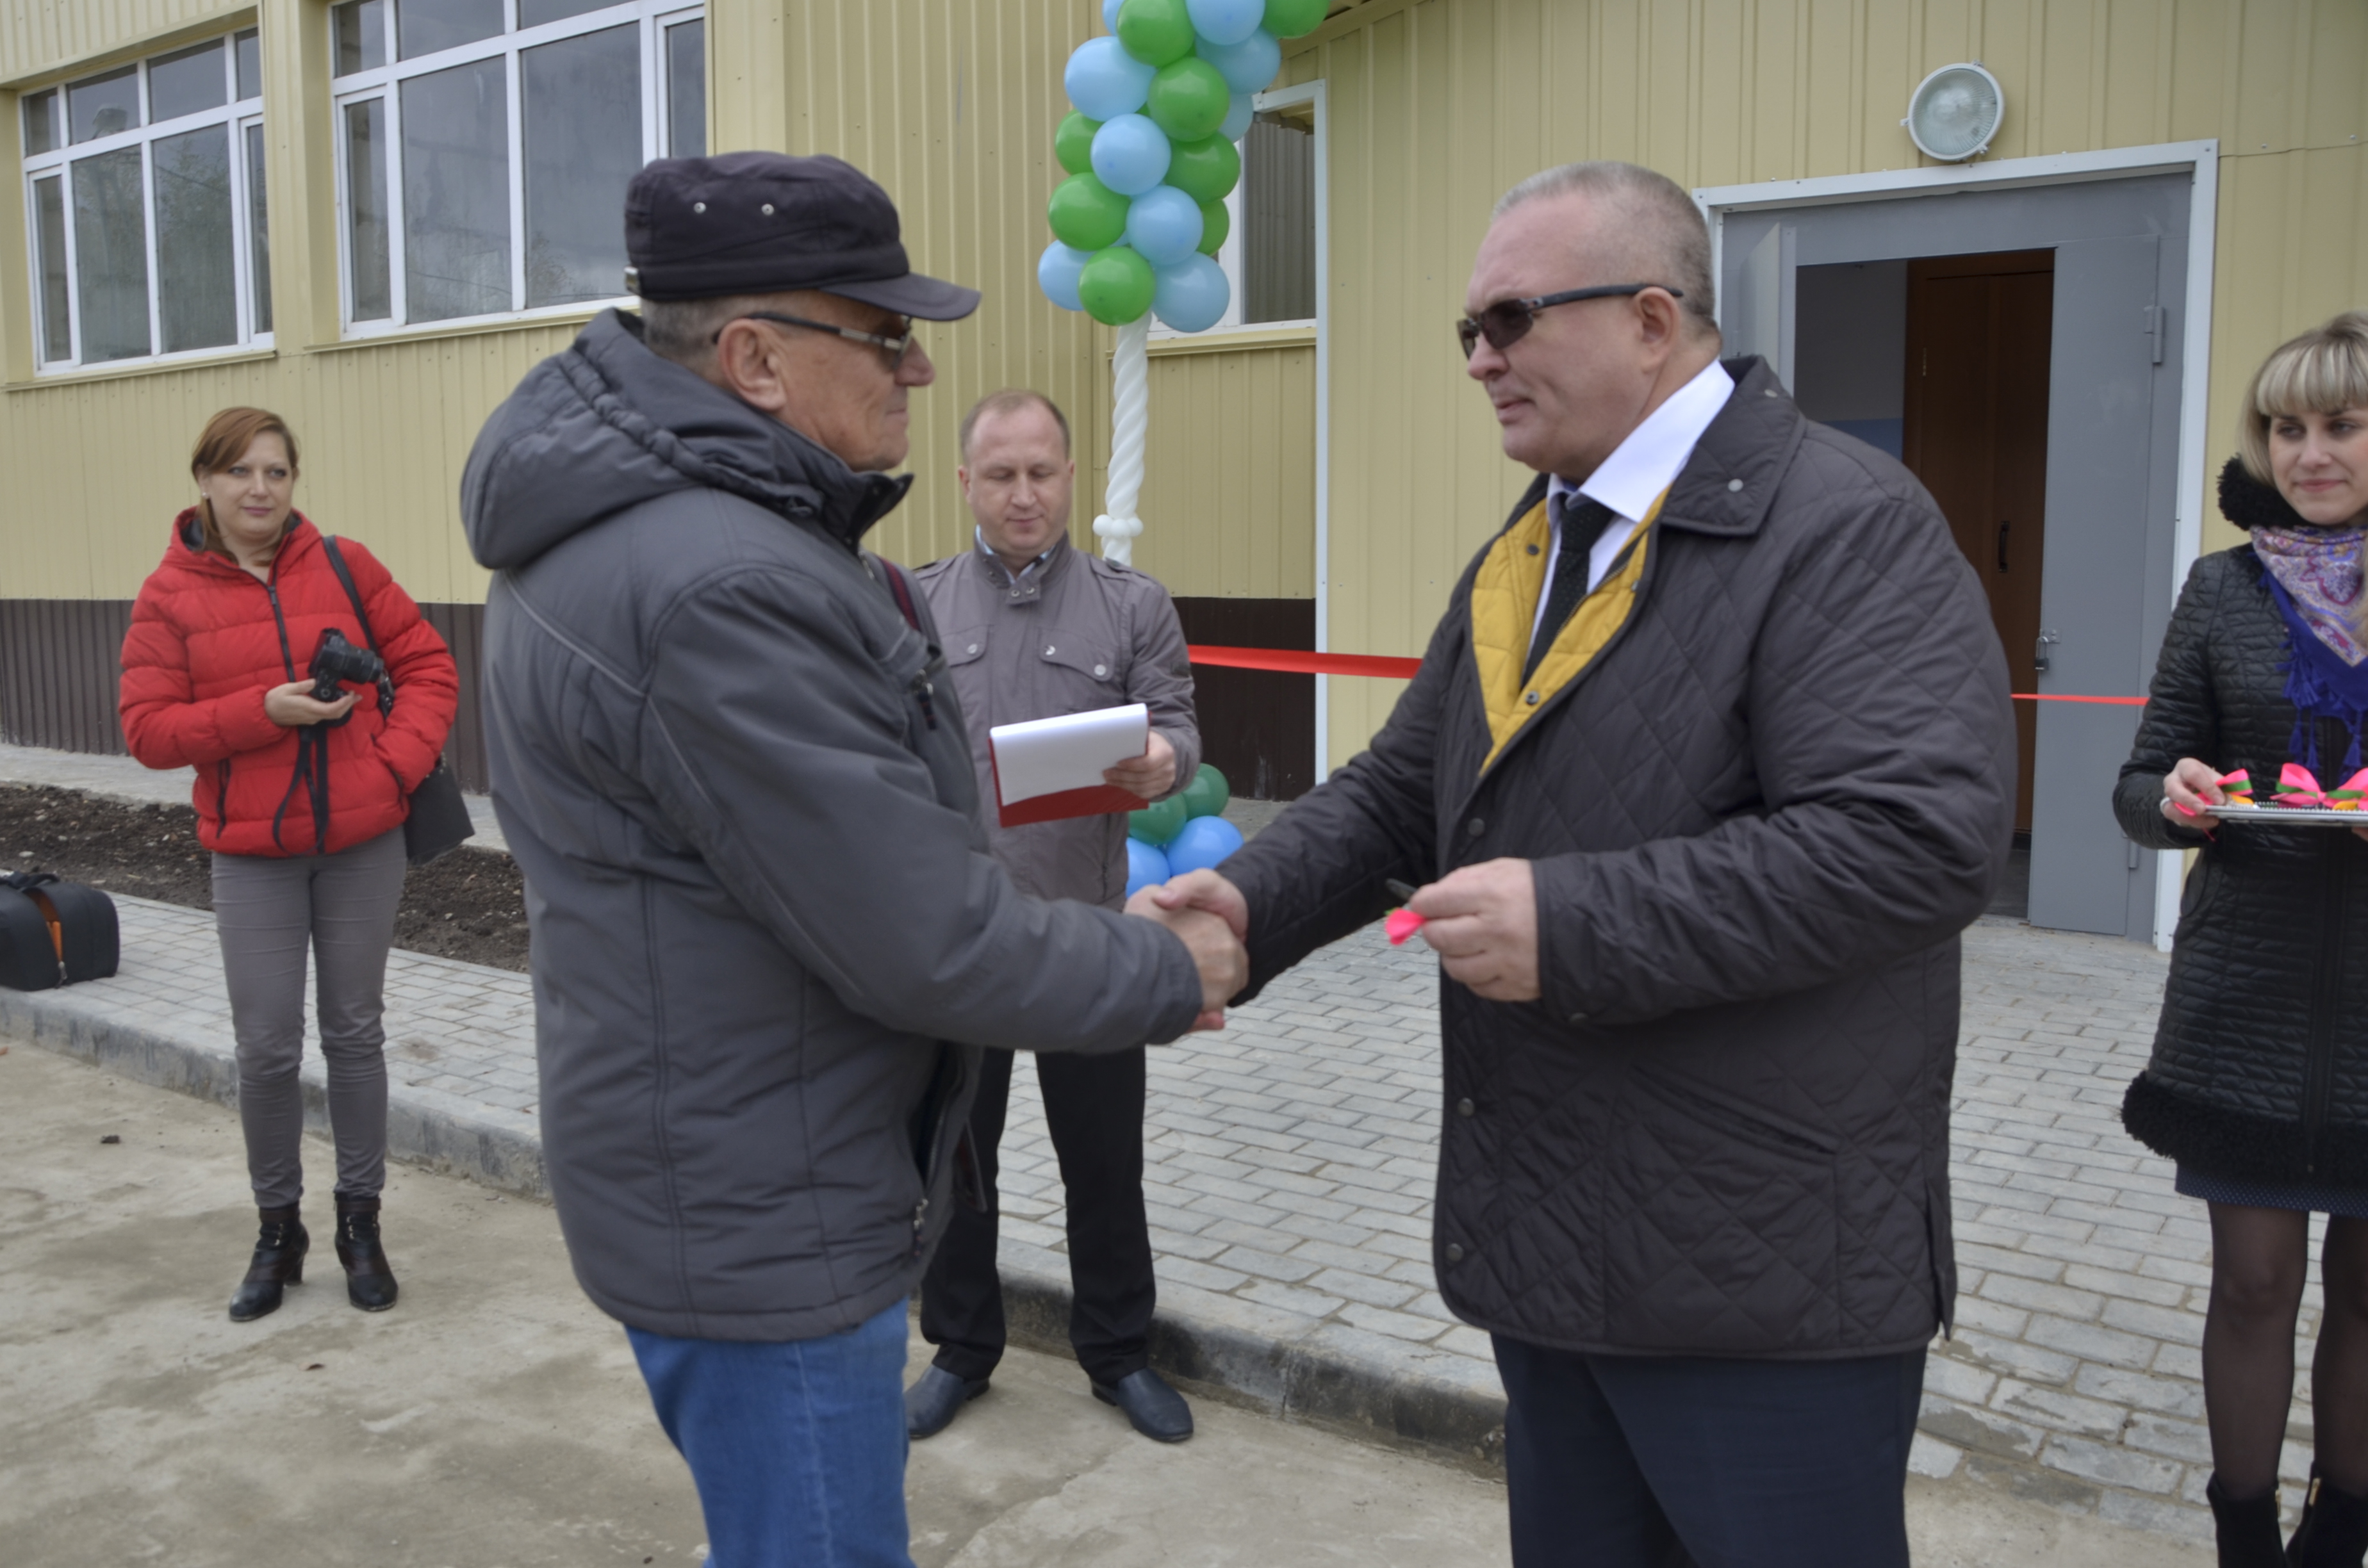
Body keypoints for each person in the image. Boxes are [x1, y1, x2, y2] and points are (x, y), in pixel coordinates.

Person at [1149, 160, 2015, 1567]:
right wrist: (1247, 905)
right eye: (1468, 334)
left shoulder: (1847, 524)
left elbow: (1915, 841)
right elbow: (1398, 792)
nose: (1480, 360)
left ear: (1655, 320)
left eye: (1510, 320)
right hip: (1559, 1244)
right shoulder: (1541, 538)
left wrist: (1576, 917)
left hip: (1762, 1280)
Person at [459, 151, 1246, 1568]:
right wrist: (1169, 961)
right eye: (883, 338)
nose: (914, 372)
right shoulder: (724, 584)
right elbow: (927, 938)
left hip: (743, 1163)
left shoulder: (687, 537)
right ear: (755, 358)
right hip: (769, 1215)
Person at [2117, 312, 2368, 1568]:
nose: (2309, 451)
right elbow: (2141, 780)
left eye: (2340, 424)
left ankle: (2343, 1533)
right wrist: (2177, 798)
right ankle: (2246, 1541)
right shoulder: (2224, 586)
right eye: (2286, 427)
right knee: (2255, 1286)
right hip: (2244, 1005)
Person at [904, 389, 1202, 1444]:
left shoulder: (1131, 605)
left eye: (1041, 472)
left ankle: (1119, 1354)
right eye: (1000, 475)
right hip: (964, 941)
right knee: (958, 1162)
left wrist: (1168, 756)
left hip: (1087, 938)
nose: (1023, 494)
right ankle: (961, 1349)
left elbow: (1178, 724)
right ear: (965, 484)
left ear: (1071, 477)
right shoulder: (917, 604)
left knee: (1103, 1162)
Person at [120, 407, 459, 1323]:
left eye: (275, 472)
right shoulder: (169, 596)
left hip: (362, 845)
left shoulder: (346, 565)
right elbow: (147, 731)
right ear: (205, 481)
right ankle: (279, 1230)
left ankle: (361, 1225)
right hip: (253, 856)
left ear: (293, 481)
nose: (259, 489)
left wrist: (395, 765)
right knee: (267, 1048)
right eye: (240, 473)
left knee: (354, 1033)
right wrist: (261, 713)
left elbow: (430, 666)